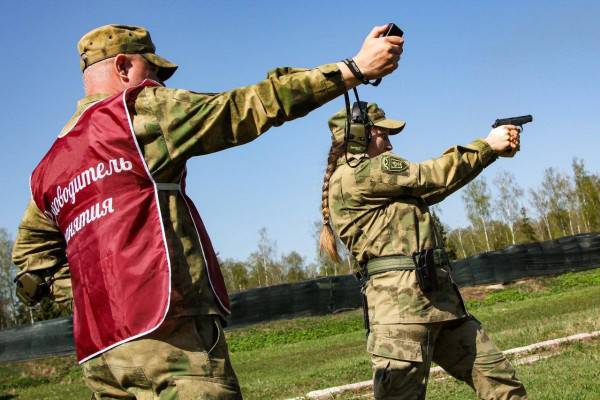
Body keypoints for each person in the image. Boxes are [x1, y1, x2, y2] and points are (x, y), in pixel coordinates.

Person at [11, 24, 403, 399]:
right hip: (168, 333)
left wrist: (95, 295)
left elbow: (31, 267)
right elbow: (249, 106)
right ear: (124, 66)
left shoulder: (51, 165)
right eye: (154, 71)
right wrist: (353, 69)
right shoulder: (137, 112)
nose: (161, 84)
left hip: (101, 357)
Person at [319, 103, 528, 399]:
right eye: (383, 135)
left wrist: (489, 153)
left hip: (438, 303)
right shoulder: (358, 172)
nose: (390, 145)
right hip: (401, 313)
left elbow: (433, 187)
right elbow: (429, 176)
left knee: (502, 384)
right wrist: (488, 145)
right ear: (361, 134)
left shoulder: (373, 179)